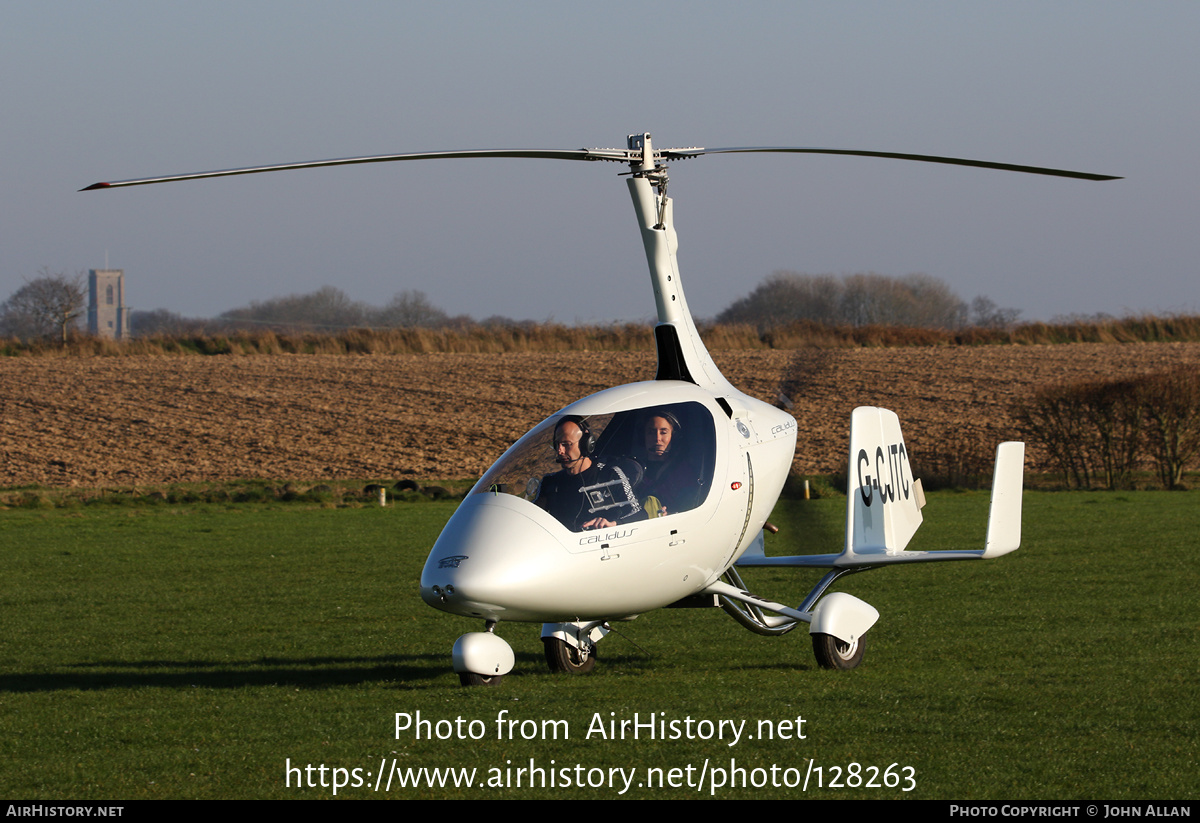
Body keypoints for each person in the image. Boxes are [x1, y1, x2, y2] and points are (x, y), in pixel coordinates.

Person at [533, 416, 643, 531]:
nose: (560, 451)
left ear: (585, 444)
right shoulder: (550, 483)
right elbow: (532, 517)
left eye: (566, 444)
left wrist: (613, 524)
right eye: (557, 444)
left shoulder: (610, 475)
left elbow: (639, 513)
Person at [638, 409, 705, 517]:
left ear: (674, 437)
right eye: (651, 432)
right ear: (643, 437)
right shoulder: (633, 470)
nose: (657, 438)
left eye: (663, 432)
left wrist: (670, 514)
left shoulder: (684, 472)